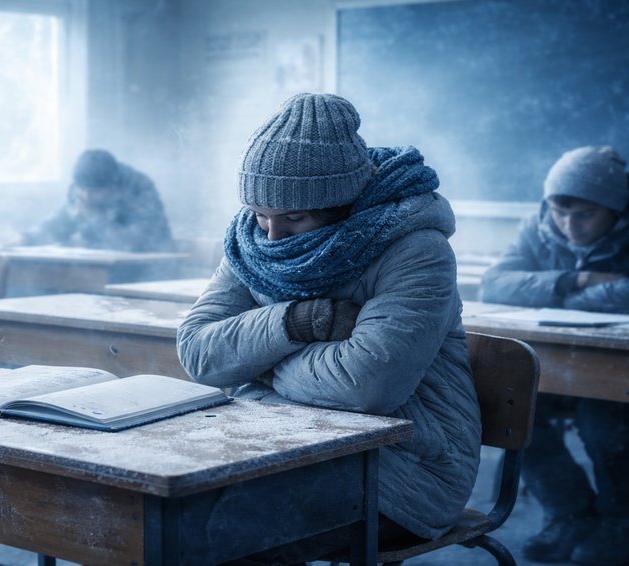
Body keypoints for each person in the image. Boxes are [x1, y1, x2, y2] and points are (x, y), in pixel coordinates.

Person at [176, 93, 481, 563]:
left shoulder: (417, 250)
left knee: (221, 533)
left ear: (340, 203)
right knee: (169, 513)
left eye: (293, 218)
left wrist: (259, 366)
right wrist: (295, 323)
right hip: (279, 438)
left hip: (402, 467)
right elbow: (199, 354)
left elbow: (366, 386)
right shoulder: (252, 244)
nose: (272, 235)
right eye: (259, 213)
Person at [479, 145, 629, 565]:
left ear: (616, 208)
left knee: (603, 421)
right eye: (561, 213)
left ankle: (621, 522)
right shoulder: (539, 225)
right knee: (510, 404)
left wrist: (551, 292)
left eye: (585, 215)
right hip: (560, 367)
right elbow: (495, 285)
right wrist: (578, 280)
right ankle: (570, 514)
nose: (569, 226)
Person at [20, 149, 175, 252]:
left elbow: (132, 244)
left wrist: (93, 217)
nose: (86, 196)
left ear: (112, 186)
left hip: (148, 270)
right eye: (82, 189)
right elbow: (59, 223)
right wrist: (26, 238)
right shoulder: (80, 188)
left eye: (94, 191)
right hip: (99, 268)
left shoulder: (138, 189)